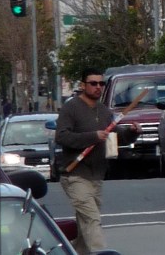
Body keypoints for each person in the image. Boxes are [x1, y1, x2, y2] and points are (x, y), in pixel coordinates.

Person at [56, 67, 140, 255]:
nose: (98, 87)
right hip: (75, 175)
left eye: (101, 83)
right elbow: (61, 136)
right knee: (92, 219)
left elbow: (115, 136)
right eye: (93, 83)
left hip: (97, 177)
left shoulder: (103, 111)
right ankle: (102, 253)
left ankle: (76, 252)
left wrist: (131, 133)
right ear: (82, 85)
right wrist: (93, 136)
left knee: (85, 226)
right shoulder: (71, 108)